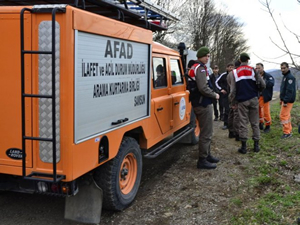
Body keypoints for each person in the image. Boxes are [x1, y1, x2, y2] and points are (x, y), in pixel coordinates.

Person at [189, 46, 220, 169]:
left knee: (206, 131)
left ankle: (207, 155)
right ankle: (202, 160)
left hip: (199, 102)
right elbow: (203, 87)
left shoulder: (195, 67)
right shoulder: (200, 68)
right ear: (200, 56)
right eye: (206, 56)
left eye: (208, 56)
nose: (208, 58)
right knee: (206, 132)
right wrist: (214, 95)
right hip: (203, 103)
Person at [229, 52, 265, 154]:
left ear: (240, 60)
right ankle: (256, 146)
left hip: (242, 101)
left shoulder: (234, 72)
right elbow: (263, 84)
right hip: (253, 99)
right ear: (248, 60)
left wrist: (232, 101)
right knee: (255, 122)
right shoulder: (254, 70)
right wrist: (258, 92)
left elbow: (233, 91)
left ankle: (244, 147)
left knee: (243, 123)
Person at [256, 63, 275, 133]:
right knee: (258, 111)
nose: (257, 69)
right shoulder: (255, 76)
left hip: (265, 96)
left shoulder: (268, 76)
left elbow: (271, 83)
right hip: (257, 96)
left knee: (266, 112)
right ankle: (260, 123)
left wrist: (263, 83)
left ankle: (268, 125)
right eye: (256, 68)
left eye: (259, 68)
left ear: (263, 68)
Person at [279, 62, 296, 139]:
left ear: (288, 67)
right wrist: (281, 99)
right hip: (285, 100)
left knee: (283, 116)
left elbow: (289, 91)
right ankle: (289, 131)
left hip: (288, 101)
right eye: (281, 68)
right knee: (287, 116)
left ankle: (287, 133)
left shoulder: (290, 77)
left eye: (284, 68)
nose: (282, 70)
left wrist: (285, 101)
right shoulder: (285, 76)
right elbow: (283, 89)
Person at [216, 63, 234, 129]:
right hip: (226, 94)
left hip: (233, 94)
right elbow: (216, 82)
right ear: (227, 68)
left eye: (232, 67)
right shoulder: (223, 75)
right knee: (226, 109)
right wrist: (221, 89)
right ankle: (226, 124)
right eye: (229, 67)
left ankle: (232, 124)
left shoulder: (235, 74)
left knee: (233, 109)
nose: (231, 68)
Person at [227, 60, 241, 140]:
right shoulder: (236, 73)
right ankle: (237, 133)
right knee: (236, 115)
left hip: (230, 95)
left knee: (231, 114)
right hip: (235, 96)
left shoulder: (229, 74)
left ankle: (231, 132)